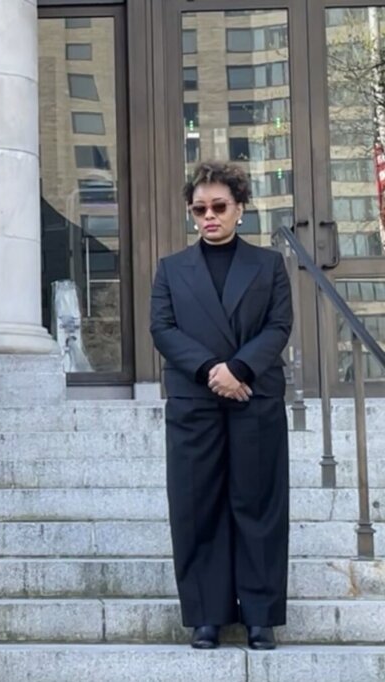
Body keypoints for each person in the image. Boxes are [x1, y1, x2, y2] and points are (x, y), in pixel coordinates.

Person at [150, 160, 292, 651]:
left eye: (219, 206)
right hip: (195, 399)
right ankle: (206, 615)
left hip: (255, 395)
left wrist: (240, 369)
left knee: (258, 505)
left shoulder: (269, 265)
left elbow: (278, 325)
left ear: (240, 208)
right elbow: (162, 328)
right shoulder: (171, 269)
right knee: (197, 506)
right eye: (200, 209)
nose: (209, 216)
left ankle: (260, 616)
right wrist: (214, 370)